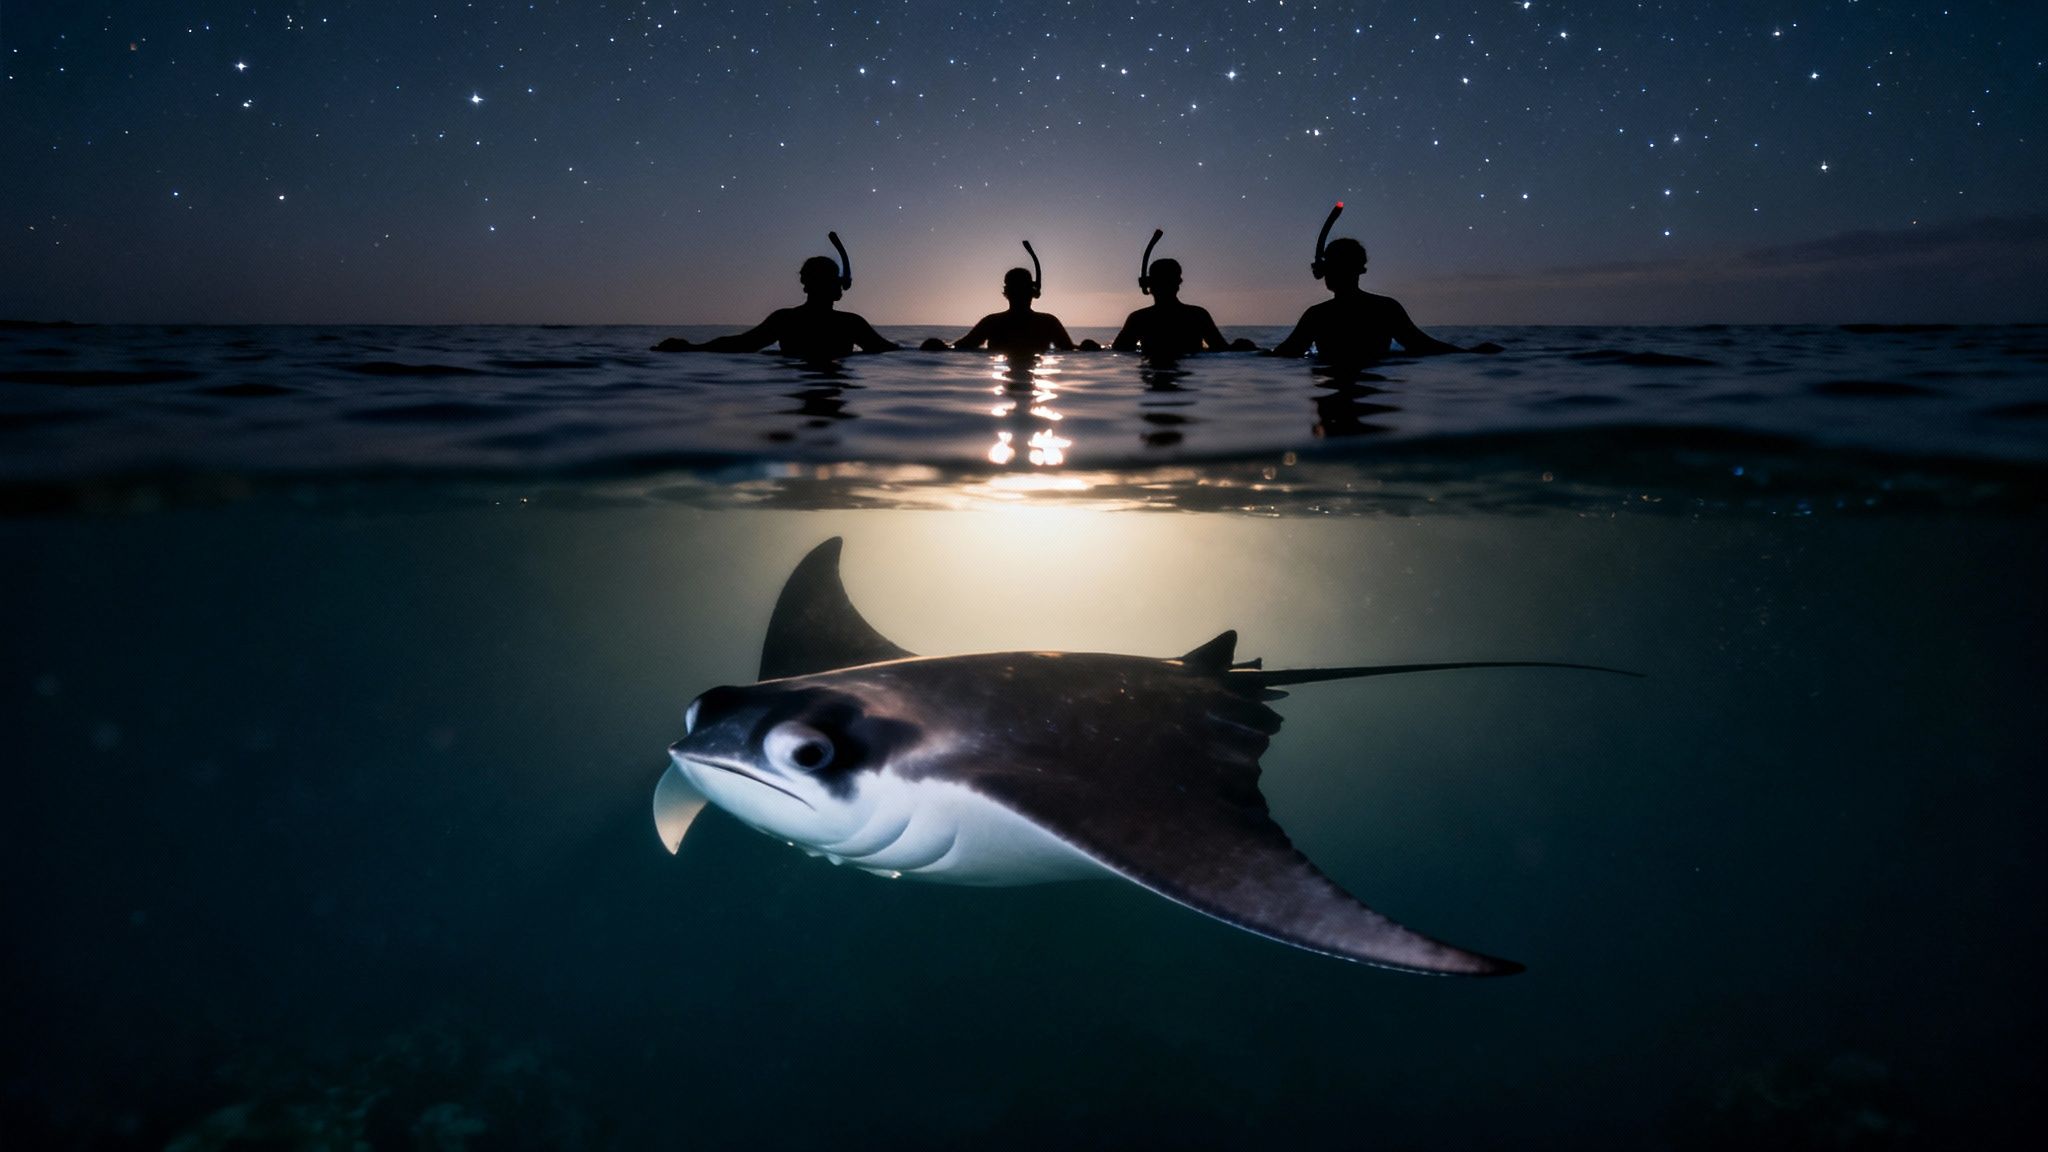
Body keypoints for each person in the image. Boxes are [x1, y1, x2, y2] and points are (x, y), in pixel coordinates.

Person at [1272, 238, 1490, 362]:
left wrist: (1245, 351)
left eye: (1335, 266)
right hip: (1374, 398)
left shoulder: (1318, 315)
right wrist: (1472, 352)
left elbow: (1285, 354)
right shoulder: (1385, 308)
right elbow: (1421, 345)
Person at [651, 255, 898, 359]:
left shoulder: (787, 319)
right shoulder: (847, 323)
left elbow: (742, 344)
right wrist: (692, 347)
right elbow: (743, 344)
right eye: (833, 279)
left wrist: (692, 348)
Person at [1112, 258, 1257, 355]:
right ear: (1179, 283)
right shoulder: (1197, 314)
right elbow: (1222, 350)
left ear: (1149, 284)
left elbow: (1120, 351)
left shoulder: (1139, 318)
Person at [938, 268, 1085, 358]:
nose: (1019, 294)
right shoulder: (1047, 322)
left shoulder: (1048, 322)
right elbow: (1071, 350)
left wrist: (1089, 346)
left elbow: (960, 348)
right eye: (1016, 290)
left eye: (1021, 289)